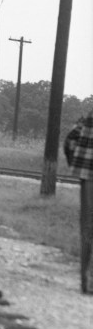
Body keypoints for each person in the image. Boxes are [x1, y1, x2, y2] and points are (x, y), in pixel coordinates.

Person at [64, 109, 93, 294]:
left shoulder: (90, 117)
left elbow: (70, 141)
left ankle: (86, 280)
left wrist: (79, 164)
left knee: (88, 228)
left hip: (89, 178)